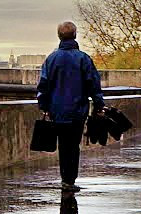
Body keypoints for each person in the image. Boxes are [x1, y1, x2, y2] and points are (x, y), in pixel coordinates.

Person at [36, 20, 105, 194]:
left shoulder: (51, 59)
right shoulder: (83, 59)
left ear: (59, 36)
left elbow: (43, 85)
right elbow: (93, 84)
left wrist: (44, 105)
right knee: (73, 145)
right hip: (77, 110)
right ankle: (70, 179)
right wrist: (98, 104)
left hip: (57, 110)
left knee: (63, 145)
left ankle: (65, 178)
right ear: (74, 35)